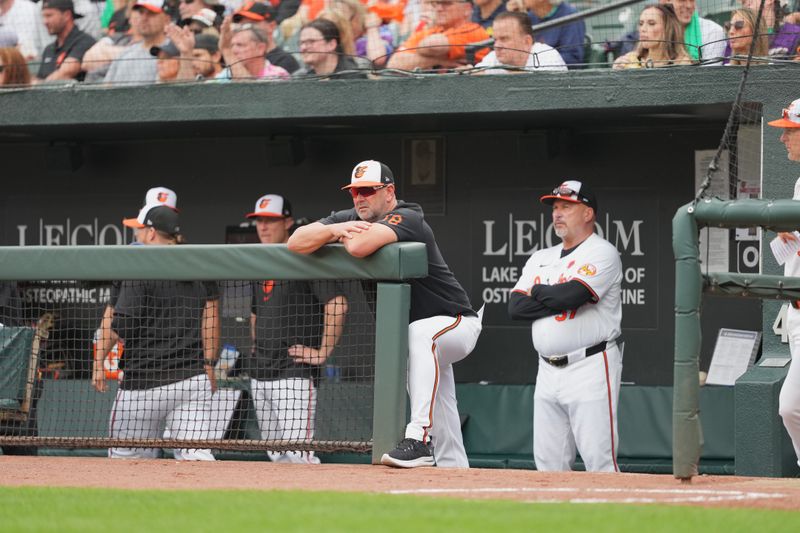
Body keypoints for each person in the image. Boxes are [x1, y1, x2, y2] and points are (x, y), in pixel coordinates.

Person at [287, 160, 483, 468]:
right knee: (441, 408)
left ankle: (418, 439)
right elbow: (295, 241)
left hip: (455, 323)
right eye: (354, 192)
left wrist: (338, 235)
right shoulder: (350, 217)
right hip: (422, 342)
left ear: (389, 192)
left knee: (419, 334)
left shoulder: (409, 215)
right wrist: (336, 228)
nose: (359, 198)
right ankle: (454, 473)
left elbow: (359, 246)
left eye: (367, 190)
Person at [508, 180, 623, 472]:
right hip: (546, 369)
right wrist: (556, 298)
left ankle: (613, 517)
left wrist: (540, 292)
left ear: (588, 213)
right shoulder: (540, 257)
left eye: (567, 207)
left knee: (599, 461)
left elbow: (573, 295)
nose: (557, 213)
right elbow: (516, 308)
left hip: (590, 364)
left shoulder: (602, 251)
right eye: (555, 207)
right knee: (548, 464)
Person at [100, 202, 220, 461]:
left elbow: (123, 326)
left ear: (152, 233)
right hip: (191, 383)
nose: (137, 235)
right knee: (197, 459)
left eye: (140, 230)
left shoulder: (138, 266)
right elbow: (208, 319)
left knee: (127, 462)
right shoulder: (196, 267)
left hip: (144, 383)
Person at [242, 194, 349, 463]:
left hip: (294, 373)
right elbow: (255, 313)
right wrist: (257, 347)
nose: (263, 227)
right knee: (275, 456)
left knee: (300, 455)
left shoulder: (308, 257)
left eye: (270, 220)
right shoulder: (259, 258)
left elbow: (338, 305)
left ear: (288, 221)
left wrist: (322, 352)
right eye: (259, 221)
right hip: (260, 372)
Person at [92, 187, 178, 396]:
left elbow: (116, 322)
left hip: (150, 375)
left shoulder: (132, 261)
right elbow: (113, 316)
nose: (137, 232)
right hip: (177, 376)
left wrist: (98, 362)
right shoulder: (131, 258)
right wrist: (98, 362)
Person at [769, 98, 800, 470]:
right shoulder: (798, 183)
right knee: (791, 407)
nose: (783, 139)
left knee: (790, 405)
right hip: (795, 312)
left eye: (790, 132)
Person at [387, 0, 490, 71]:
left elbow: (431, 46)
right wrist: (438, 60)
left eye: (446, 3)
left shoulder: (474, 30)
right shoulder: (430, 30)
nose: (439, 8)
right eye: (436, 3)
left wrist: (417, 58)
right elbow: (393, 64)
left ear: (467, 9)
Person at [473, 10, 566, 73]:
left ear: (527, 41)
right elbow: (474, 77)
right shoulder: (494, 58)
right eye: (495, 39)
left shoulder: (547, 56)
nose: (497, 46)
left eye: (504, 39)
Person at [104, 0, 170, 85]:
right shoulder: (125, 53)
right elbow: (106, 88)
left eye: (151, 13)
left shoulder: (173, 52)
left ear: (166, 19)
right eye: (141, 12)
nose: (144, 18)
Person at [506, 0, 584, 67]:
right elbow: (514, 50)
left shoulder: (570, 16)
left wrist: (531, 61)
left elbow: (573, 59)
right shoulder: (529, 17)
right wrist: (514, 17)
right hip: (531, 73)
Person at [613, 4, 692, 70]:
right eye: (641, 24)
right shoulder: (630, 59)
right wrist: (616, 73)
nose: (643, 29)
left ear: (667, 29)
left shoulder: (681, 63)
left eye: (651, 23)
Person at [233, 1, 300, 74]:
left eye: (251, 24)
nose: (244, 29)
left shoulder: (284, 61)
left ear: (271, 26)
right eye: (242, 25)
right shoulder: (237, 56)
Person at [37, 0, 96, 81]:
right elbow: (39, 78)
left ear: (67, 15)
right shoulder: (48, 49)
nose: (45, 22)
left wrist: (40, 85)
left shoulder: (85, 41)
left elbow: (67, 72)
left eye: (49, 16)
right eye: (43, 16)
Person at [294, 18, 366, 79]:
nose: (303, 47)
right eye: (302, 43)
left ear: (331, 45)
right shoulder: (303, 78)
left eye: (311, 41)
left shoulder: (353, 77)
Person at [217, 20, 290, 80]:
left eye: (240, 45)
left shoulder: (278, 75)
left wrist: (226, 51)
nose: (234, 51)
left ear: (260, 48)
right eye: (231, 46)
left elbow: (251, 94)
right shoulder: (226, 74)